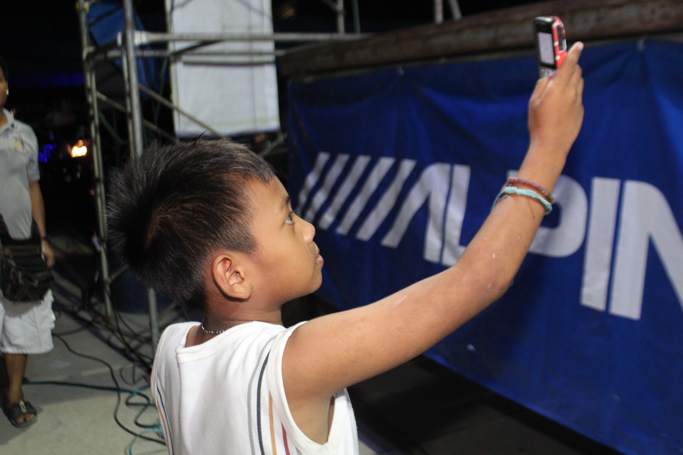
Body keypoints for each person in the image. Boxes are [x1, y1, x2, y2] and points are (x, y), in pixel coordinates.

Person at [108, 43, 585, 454]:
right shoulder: (294, 362)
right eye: (288, 219)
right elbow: (477, 279)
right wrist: (548, 147)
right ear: (233, 275)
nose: (308, 228)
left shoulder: (171, 348)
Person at [0, 56, 56, 428]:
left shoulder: (25, 134)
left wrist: (43, 238)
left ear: (6, 86)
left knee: (18, 325)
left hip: (20, 245)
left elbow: (33, 187)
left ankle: (14, 395)